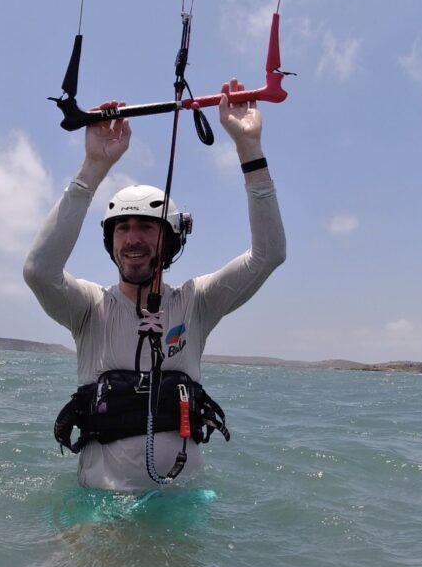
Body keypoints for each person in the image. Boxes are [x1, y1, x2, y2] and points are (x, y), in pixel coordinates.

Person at [23, 79, 286, 491]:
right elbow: (39, 271)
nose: (133, 239)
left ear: (172, 239)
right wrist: (93, 167)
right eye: (122, 228)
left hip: (181, 513)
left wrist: (248, 148)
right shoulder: (89, 309)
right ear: (110, 243)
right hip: (101, 515)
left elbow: (268, 254)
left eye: (147, 227)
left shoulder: (197, 303)